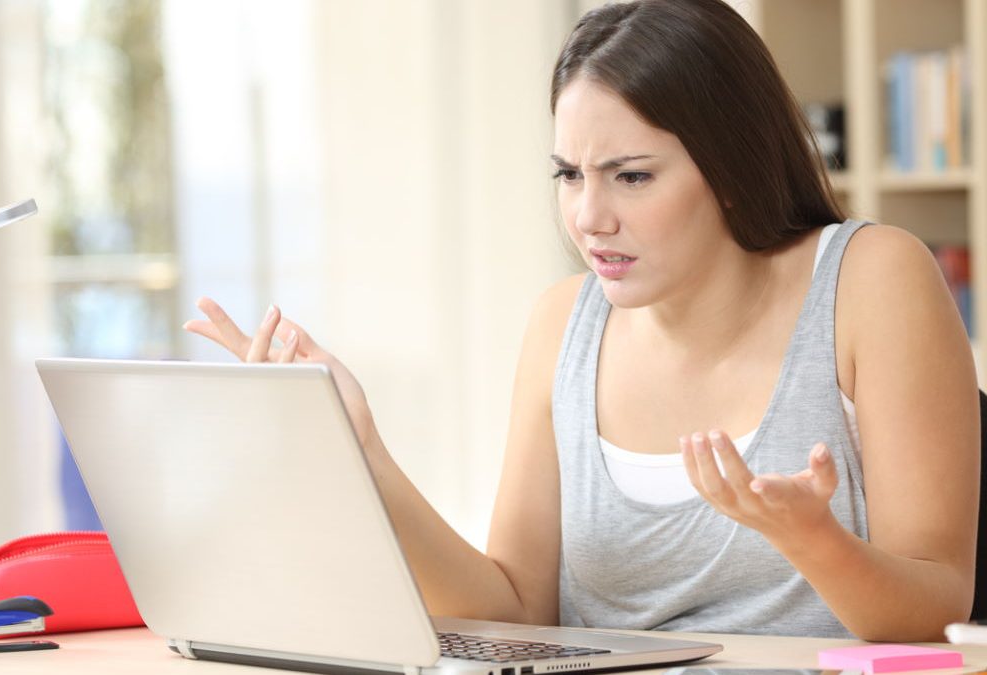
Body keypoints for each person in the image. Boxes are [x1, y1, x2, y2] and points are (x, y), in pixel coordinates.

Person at [183, 0, 978, 642]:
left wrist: (814, 539)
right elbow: (515, 613)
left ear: (732, 170)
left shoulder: (871, 280)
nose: (588, 218)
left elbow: (936, 610)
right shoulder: (563, 323)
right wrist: (361, 451)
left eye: (631, 176)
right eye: (569, 174)